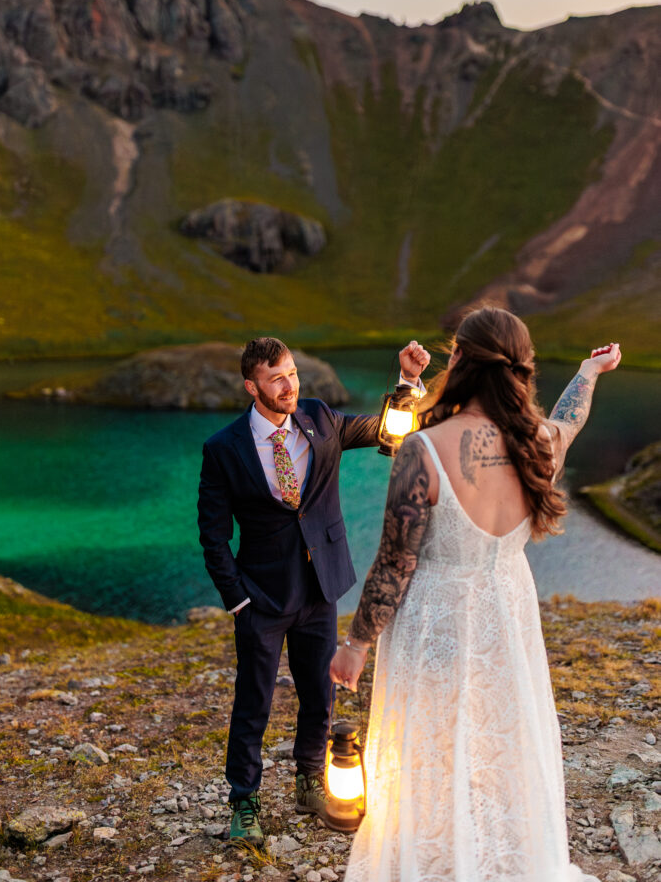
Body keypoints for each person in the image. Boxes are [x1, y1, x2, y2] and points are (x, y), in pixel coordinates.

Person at [330, 306, 621, 882]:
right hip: (506, 615)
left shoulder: (423, 449)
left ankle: (438, 861)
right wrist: (589, 373)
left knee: (430, 748)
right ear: (520, 369)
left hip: (434, 621)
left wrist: (356, 644)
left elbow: (395, 563)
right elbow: (569, 421)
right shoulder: (539, 443)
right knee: (499, 745)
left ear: (459, 358)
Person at [198, 335, 430, 847]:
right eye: (276, 379)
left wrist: (408, 381)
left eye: (292, 373)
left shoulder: (321, 418)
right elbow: (213, 536)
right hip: (260, 597)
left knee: (319, 696)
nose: (289, 386)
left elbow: (388, 432)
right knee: (253, 703)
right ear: (252, 386)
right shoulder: (223, 448)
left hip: (321, 589)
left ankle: (308, 782)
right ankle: (244, 802)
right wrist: (237, 598)